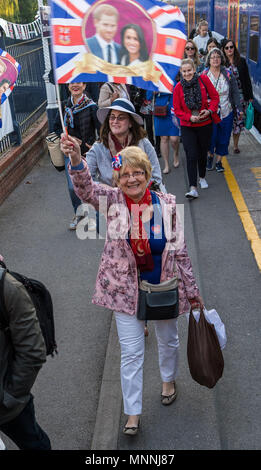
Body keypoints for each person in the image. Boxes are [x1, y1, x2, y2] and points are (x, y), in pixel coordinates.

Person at [60, 140, 204, 435]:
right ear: (117, 180)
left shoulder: (167, 204)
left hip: (162, 286)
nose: (131, 179)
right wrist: (75, 159)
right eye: (124, 175)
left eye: (137, 172)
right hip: (124, 291)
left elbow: (181, 252)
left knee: (168, 340)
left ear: (148, 175)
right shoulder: (112, 201)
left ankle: (168, 380)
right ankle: (133, 412)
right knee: (131, 353)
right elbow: (86, 191)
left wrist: (192, 291)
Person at [0, 255, 51, 450]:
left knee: (36, 445)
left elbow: (32, 351)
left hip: (7, 404)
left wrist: (9, 397)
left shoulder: (8, 288)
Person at [85, 98, 164, 191]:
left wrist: (135, 190)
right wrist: (108, 190)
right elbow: (87, 180)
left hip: (142, 195)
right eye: (112, 117)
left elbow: (156, 177)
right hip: (110, 198)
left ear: (130, 123)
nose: (115, 121)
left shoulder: (143, 143)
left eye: (121, 118)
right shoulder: (98, 148)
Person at [54, 82, 100, 230]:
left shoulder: (92, 106)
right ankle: (79, 214)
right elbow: (55, 127)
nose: (75, 86)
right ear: (68, 86)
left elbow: (101, 129)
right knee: (72, 187)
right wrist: (63, 134)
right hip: (71, 153)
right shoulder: (64, 106)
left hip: (88, 153)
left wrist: (95, 144)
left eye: (78, 83)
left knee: (89, 186)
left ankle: (93, 217)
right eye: (72, 83)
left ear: (84, 86)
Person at [173, 58, 220, 199]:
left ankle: (202, 176)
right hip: (188, 126)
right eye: (184, 71)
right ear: (181, 72)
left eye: (189, 70)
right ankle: (193, 187)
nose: (187, 74)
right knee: (191, 155)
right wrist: (188, 117)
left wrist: (210, 111)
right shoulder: (178, 88)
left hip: (205, 124)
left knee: (202, 153)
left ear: (194, 69)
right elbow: (177, 109)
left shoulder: (204, 80)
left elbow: (215, 97)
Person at [202, 48, 242, 172]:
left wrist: (239, 109)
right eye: (213, 57)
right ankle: (210, 156)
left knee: (224, 138)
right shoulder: (203, 74)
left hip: (226, 111)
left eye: (218, 57)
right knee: (211, 137)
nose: (215, 59)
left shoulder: (228, 74)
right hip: (210, 113)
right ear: (209, 60)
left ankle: (219, 162)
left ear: (221, 59)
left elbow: (235, 92)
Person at [222, 38, 254, 154]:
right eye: (227, 48)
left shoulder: (241, 61)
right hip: (226, 97)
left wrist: (250, 96)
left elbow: (247, 80)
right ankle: (224, 144)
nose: (230, 49)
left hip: (240, 97)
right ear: (223, 50)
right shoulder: (221, 63)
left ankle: (235, 146)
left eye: (231, 47)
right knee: (226, 123)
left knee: (238, 122)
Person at [154, 90, 180, 174]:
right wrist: (153, 92)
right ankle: (166, 164)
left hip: (173, 110)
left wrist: (164, 90)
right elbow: (148, 97)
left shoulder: (173, 78)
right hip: (160, 110)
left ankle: (176, 154)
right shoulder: (154, 80)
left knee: (174, 139)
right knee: (164, 138)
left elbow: (178, 89)